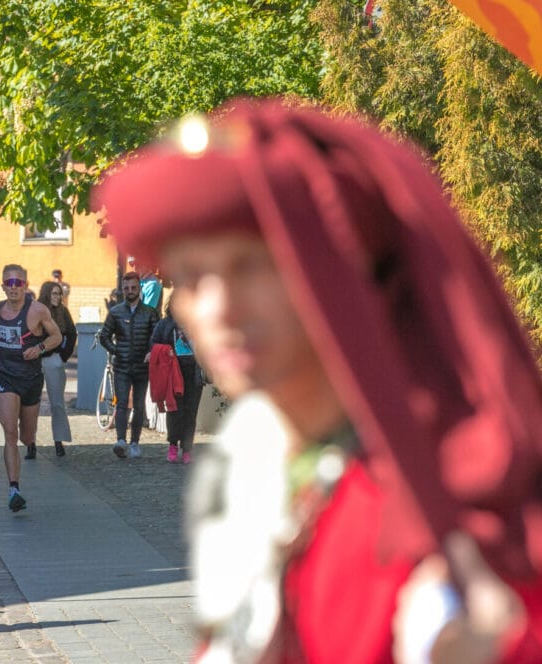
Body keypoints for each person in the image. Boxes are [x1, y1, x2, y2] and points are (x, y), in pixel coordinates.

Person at [99, 99, 542, 663]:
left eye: (252, 266)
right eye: (190, 277)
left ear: (335, 274)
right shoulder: (263, 461)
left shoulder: (439, 504)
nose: (219, 307)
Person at [0, 265, 62, 512]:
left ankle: (29, 444)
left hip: (30, 380)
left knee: (25, 436)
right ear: (2, 286)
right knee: (9, 432)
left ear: (25, 285)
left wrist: (39, 349)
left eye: (18, 283)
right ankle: (14, 488)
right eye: (8, 283)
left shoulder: (37, 310)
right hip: (5, 377)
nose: (13, 287)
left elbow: (57, 337)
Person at [97, 271, 159, 459]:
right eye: (126, 288)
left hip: (142, 366)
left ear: (139, 288)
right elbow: (104, 336)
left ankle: (135, 443)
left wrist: (150, 352)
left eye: (133, 287)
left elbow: (155, 337)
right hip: (122, 366)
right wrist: (116, 350)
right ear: (122, 290)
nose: (130, 291)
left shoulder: (149, 313)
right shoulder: (116, 312)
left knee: (139, 405)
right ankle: (121, 440)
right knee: (122, 403)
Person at [148, 296, 204, 465]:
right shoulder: (165, 325)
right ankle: (173, 445)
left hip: (193, 372)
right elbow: (153, 344)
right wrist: (166, 351)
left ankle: (187, 449)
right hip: (173, 372)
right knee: (174, 410)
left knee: (190, 412)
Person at [37, 281, 77, 457]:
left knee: (57, 403)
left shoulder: (63, 312)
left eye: (59, 294)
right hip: (36, 361)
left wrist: (62, 356)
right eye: (54, 293)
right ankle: (30, 443)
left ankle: (59, 440)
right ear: (46, 294)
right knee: (31, 403)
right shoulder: (37, 310)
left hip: (54, 360)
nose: (57, 297)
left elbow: (72, 333)